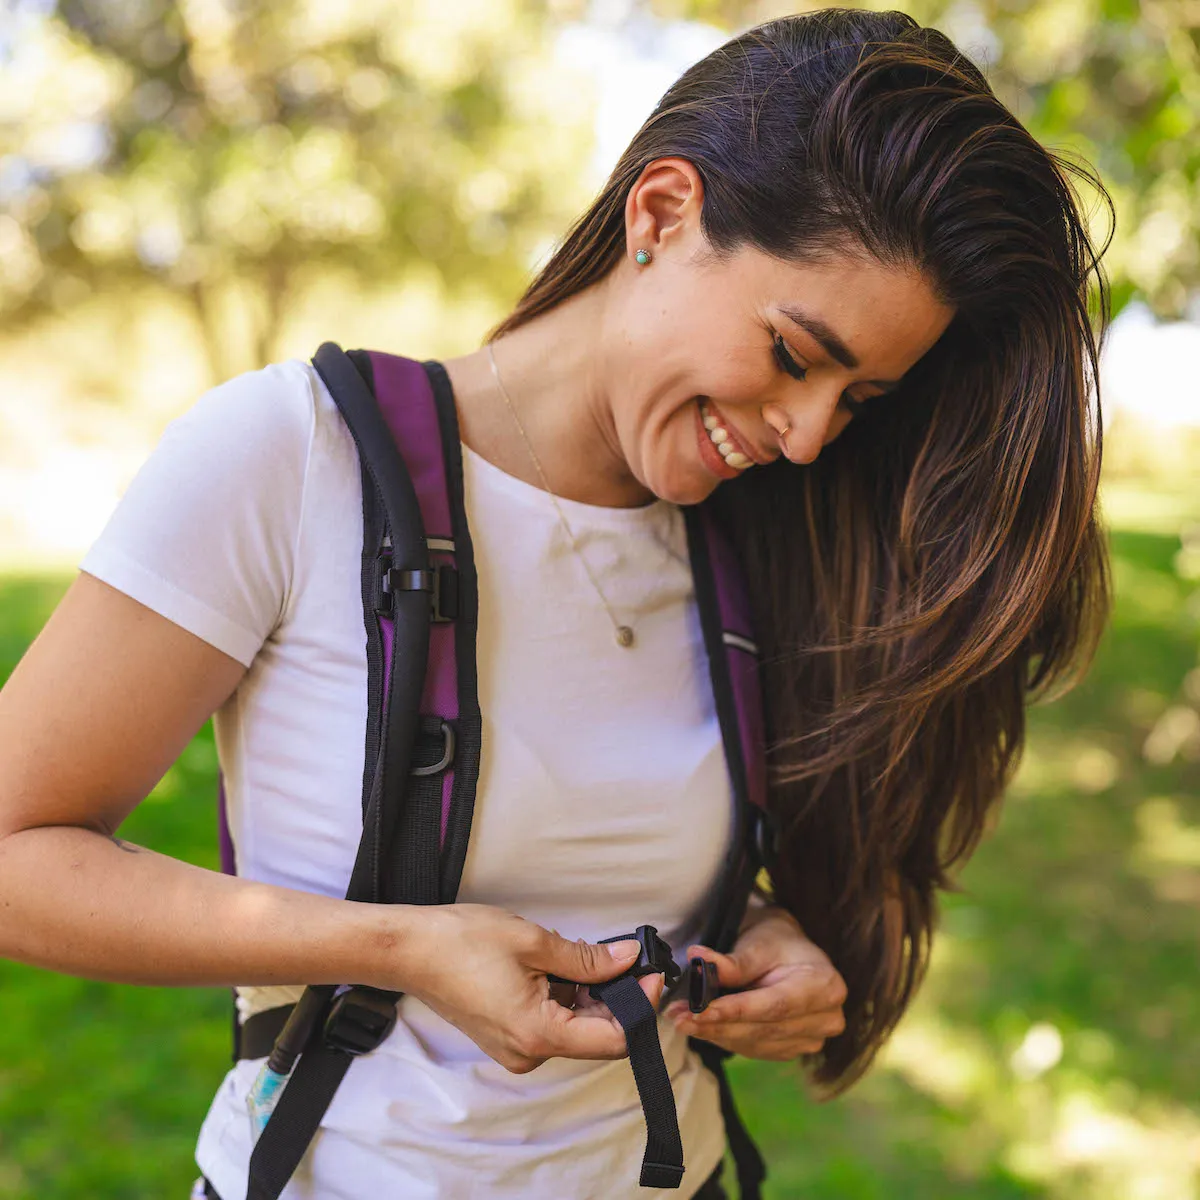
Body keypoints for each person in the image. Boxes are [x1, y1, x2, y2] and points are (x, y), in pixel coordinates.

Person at [0, 8, 1111, 1199]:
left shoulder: (752, 539)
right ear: (662, 212)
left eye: (858, 400)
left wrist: (763, 937)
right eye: (795, 356)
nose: (804, 438)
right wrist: (396, 948)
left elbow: (629, 863)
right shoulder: (293, 456)